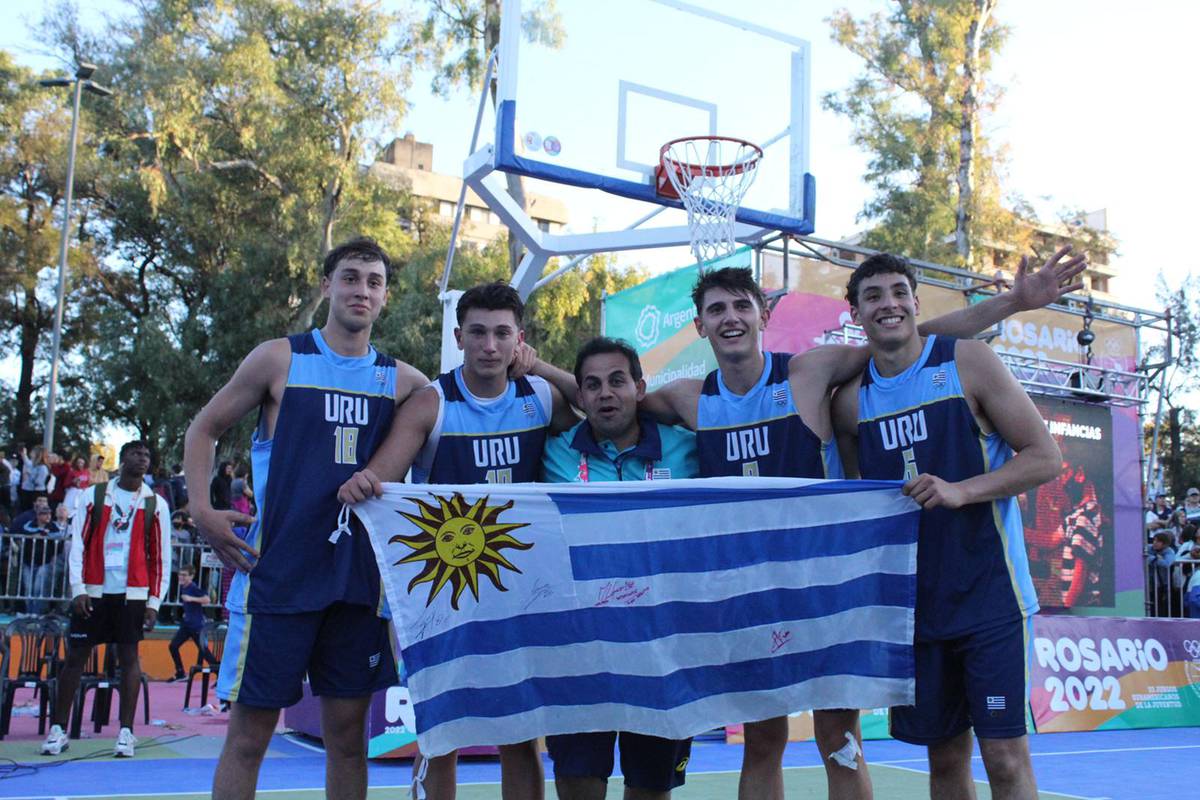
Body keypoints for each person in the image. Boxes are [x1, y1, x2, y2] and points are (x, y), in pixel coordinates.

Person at [525, 248, 1083, 800]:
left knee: (839, 738)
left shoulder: (810, 373)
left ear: (763, 315)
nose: (730, 317)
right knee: (762, 742)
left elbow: (904, 337)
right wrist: (535, 368)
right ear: (700, 326)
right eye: (716, 310)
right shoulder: (690, 400)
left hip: (828, 591)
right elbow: (610, 395)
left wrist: (1009, 303)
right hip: (749, 595)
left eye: (741, 305)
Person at [182, 237, 429, 800]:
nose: (360, 290)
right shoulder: (281, 358)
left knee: (347, 741)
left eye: (373, 281)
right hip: (278, 578)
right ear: (326, 286)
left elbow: (463, 398)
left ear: (385, 296)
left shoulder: (404, 382)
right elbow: (204, 428)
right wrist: (200, 509)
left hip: (356, 585)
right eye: (349, 277)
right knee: (249, 739)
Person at [829, 253, 1065, 800]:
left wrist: (963, 490)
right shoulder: (848, 405)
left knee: (1005, 760)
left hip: (991, 598)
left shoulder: (969, 361)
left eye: (898, 292)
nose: (888, 303)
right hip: (914, 608)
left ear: (915, 302)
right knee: (944, 761)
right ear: (856, 315)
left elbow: (1045, 457)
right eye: (873, 296)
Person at [337, 281, 576, 800]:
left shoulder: (539, 396)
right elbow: (381, 479)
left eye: (502, 334)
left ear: (520, 340)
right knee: (443, 729)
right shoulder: (431, 403)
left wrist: (544, 368)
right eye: (479, 333)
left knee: (519, 731)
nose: (490, 345)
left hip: (522, 588)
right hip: (447, 589)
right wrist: (363, 482)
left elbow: (605, 404)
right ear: (458, 336)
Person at [541, 337, 698, 800]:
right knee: (578, 785)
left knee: (650, 789)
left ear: (640, 388)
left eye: (617, 381)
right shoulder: (553, 452)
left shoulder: (689, 446)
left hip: (661, 652)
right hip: (579, 653)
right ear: (580, 397)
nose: (605, 394)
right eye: (592, 385)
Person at [41, 440, 172, 758]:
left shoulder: (156, 503)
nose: (143, 458)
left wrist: (154, 602)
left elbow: (161, 557)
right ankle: (58, 730)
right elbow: (77, 546)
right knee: (75, 659)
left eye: (147, 455)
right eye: (137, 453)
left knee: (129, 659)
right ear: (122, 459)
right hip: (93, 592)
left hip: (134, 593)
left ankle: (126, 733)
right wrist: (79, 589)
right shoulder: (93, 496)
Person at [167, 565, 218, 681]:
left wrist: (191, 599)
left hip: (196, 625)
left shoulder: (193, 588)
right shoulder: (184, 587)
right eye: (180, 574)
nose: (181, 577)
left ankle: (219, 674)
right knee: (173, 646)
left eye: (185, 575)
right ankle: (180, 672)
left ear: (191, 576)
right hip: (187, 624)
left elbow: (207, 599)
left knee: (205, 652)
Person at [18, 445, 50, 511]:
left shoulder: (42, 468)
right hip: (27, 490)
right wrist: (23, 454)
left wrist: (29, 474)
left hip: (36, 493)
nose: (31, 453)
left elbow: (39, 482)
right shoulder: (33, 464)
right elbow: (26, 461)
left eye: (33, 452)